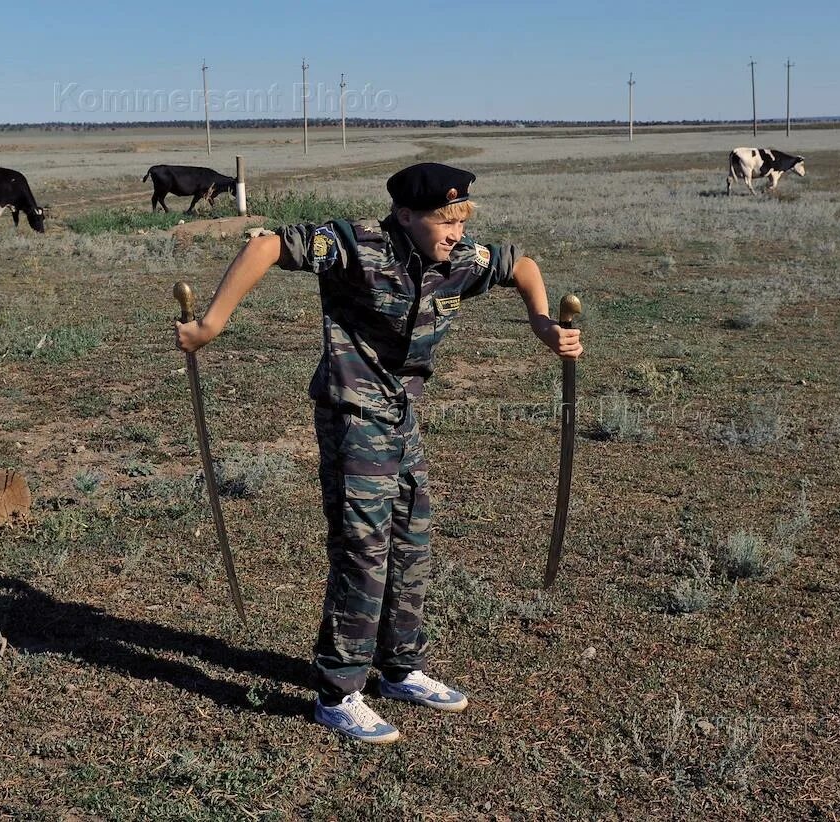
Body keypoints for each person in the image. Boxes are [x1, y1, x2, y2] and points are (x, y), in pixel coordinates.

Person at [175, 162, 583, 744]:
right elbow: (265, 247)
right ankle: (339, 692)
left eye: (462, 220)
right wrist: (211, 324)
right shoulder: (353, 245)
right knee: (364, 548)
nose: (457, 233)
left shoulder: (459, 260)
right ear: (407, 215)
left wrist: (543, 325)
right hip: (352, 417)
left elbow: (521, 265)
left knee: (412, 538)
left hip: (403, 417)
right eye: (445, 221)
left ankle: (399, 666)